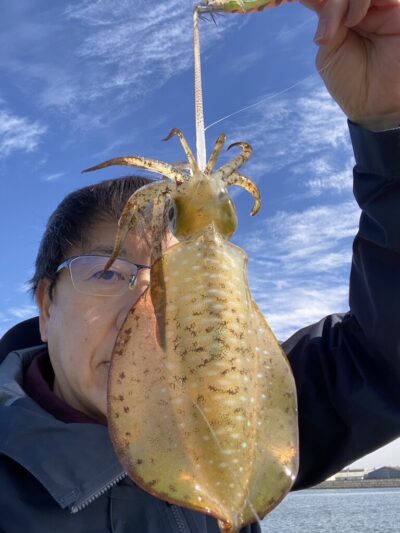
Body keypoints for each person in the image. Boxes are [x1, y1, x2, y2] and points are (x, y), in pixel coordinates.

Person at [1, 0, 400, 531]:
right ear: (46, 305)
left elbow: (387, 350)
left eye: (176, 275)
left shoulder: (249, 409)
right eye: (110, 272)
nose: (150, 308)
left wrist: (388, 125)